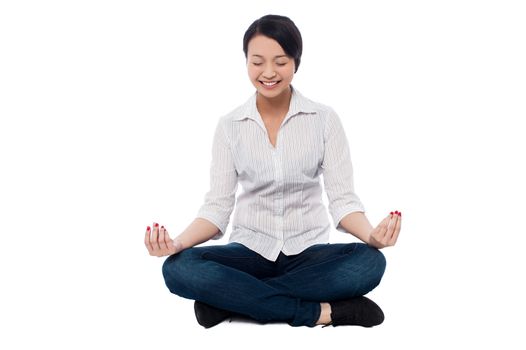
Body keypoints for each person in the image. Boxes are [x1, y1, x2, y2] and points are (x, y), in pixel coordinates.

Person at [144, 14, 402, 328]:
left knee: (370, 263)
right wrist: (178, 243)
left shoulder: (324, 119)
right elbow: (217, 208)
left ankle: (230, 302)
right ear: (246, 63)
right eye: (257, 62)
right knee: (177, 268)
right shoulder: (230, 126)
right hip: (249, 251)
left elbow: (343, 200)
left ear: (296, 62)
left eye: (280, 62)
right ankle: (321, 312)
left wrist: (372, 235)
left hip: (308, 252)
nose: (269, 72)